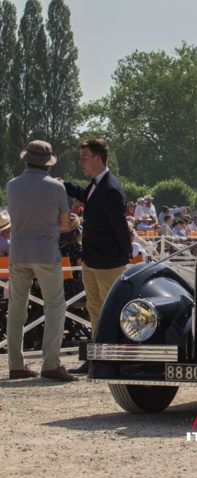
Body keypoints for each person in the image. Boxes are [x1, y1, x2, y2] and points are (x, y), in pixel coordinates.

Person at [5, 140, 77, 381]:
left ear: (27, 160)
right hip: (46, 252)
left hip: (19, 253)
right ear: (47, 164)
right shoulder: (56, 188)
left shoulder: (12, 185)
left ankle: (15, 364)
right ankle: (50, 363)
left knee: (16, 308)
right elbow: (66, 225)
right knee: (55, 306)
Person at [63, 138, 131, 374]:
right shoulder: (96, 185)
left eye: (84, 157)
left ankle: (115, 357)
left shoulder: (111, 188)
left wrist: (125, 254)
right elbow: (87, 197)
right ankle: (97, 356)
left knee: (112, 310)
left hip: (108, 262)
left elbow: (120, 226)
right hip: (92, 260)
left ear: (98, 158)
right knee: (94, 309)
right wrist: (68, 186)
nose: (80, 162)